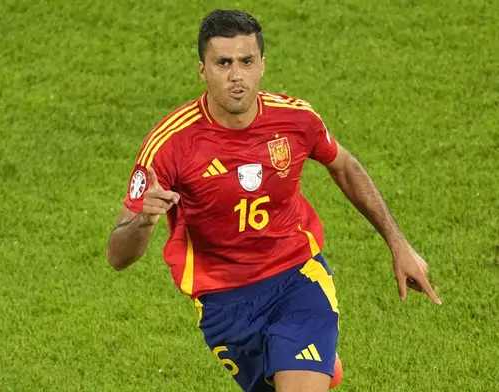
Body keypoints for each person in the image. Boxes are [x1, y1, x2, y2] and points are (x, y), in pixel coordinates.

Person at [106, 9, 442, 392]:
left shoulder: (295, 120)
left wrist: (398, 243)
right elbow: (118, 255)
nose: (236, 76)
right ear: (203, 69)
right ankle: (310, 360)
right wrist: (144, 222)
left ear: (262, 65)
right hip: (224, 303)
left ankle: (303, 350)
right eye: (223, 63)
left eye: (247, 61)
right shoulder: (169, 145)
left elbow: (345, 166)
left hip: (296, 277)